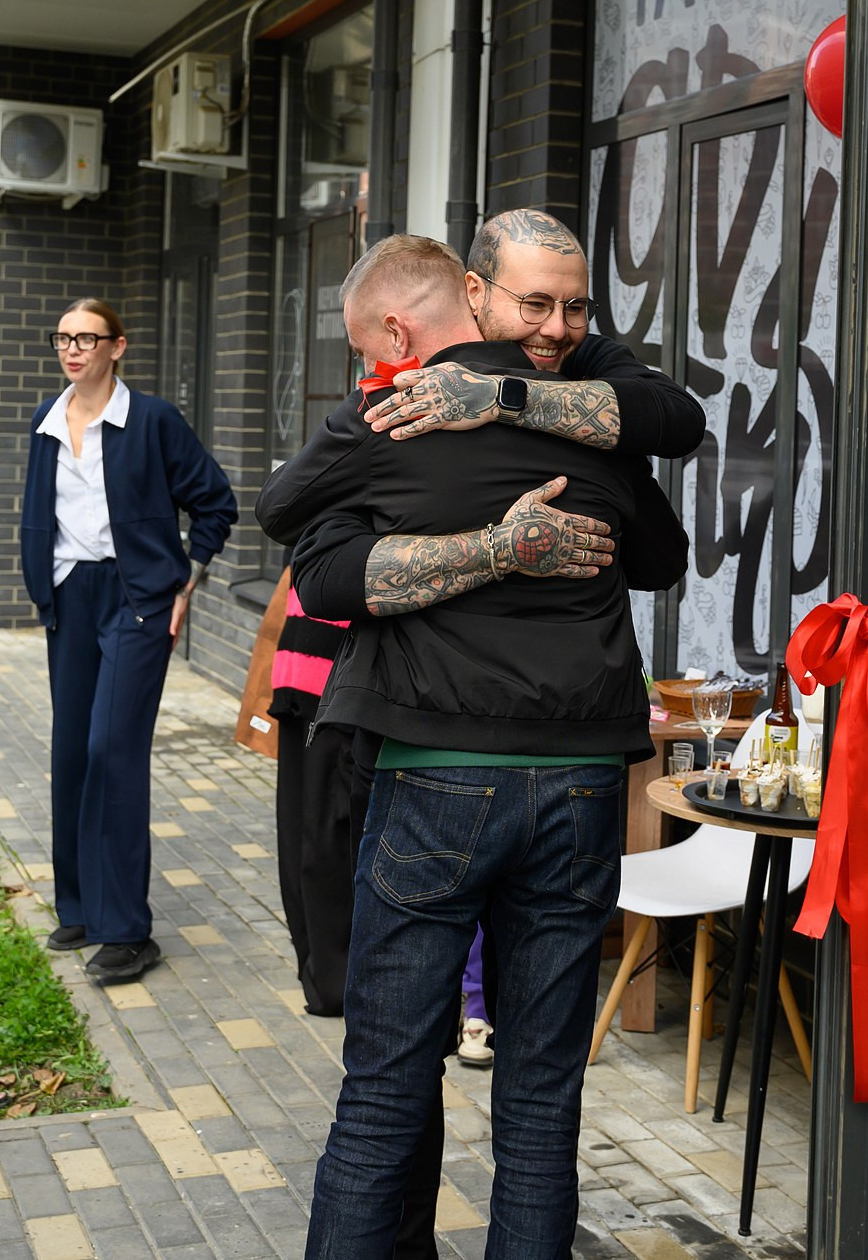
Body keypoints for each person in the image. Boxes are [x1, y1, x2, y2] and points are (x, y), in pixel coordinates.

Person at [277, 235, 690, 1260]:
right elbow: (661, 554)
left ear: (404, 331)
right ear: (483, 294)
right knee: (542, 1101)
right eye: (542, 307)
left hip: (436, 773)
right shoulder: (593, 417)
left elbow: (288, 523)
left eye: (574, 309)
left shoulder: (394, 412)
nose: (560, 329)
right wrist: (513, 538)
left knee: (385, 1085)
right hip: (584, 780)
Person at [20, 297, 238, 984]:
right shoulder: (47, 423)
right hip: (69, 598)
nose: (73, 348)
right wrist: (41, 587)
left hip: (139, 599)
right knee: (72, 750)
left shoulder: (152, 421)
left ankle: (127, 929)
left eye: (87, 337)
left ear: (118, 346)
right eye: (63, 337)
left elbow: (216, 502)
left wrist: (187, 584)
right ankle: (81, 905)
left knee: (111, 748)